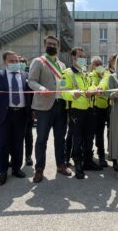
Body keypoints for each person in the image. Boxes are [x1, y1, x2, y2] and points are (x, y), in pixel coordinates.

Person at [0, 51, 32, 186]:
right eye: (12, 61)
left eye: (17, 61)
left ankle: (16, 168)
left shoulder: (26, 76)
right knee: (2, 144)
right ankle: (2, 171)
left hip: (21, 114)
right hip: (4, 114)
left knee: (18, 142)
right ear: (5, 62)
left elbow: (30, 95)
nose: (15, 63)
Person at [28, 35, 71, 183]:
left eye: (54, 44)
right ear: (45, 45)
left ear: (58, 47)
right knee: (41, 139)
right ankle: (39, 169)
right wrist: (41, 88)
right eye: (49, 44)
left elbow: (65, 83)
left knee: (60, 139)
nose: (52, 46)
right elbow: (31, 81)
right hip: (44, 105)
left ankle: (61, 165)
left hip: (61, 105)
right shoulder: (38, 61)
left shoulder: (62, 65)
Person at [60, 47, 101, 179]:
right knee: (77, 138)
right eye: (80, 56)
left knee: (89, 137)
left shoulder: (85, 73)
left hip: (90, 109)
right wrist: (73, 94)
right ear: (73, 57)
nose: (83, 59)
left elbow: (92, 85)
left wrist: (95, 89)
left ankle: (88, 161)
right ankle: (78, 164)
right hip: (76, 111)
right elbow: (63, 92)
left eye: (84, 56)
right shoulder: (67, 73)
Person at [89, 56, 110, 167]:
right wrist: (95, 89)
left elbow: (105, 84)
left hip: (103, 108)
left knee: (100, 133)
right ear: (92, 65)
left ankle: (101, 156)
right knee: (90, 133)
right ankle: (89, 154)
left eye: (100, 64)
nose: (98, 66)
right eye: (96, 64)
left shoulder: (106, 75)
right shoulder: (90, 76)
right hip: (92, 108)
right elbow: (91, 86)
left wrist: (101, 82)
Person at [19, 56, 34, 166]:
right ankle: (14, 157)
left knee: (28, 136)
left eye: (23, 62)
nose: (20, 64)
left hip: (27, 111)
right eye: (19, 62)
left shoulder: (29, 77)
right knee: (15, 136)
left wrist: (33, 110)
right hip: (14, 110)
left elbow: (33, 95)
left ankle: (28, 156)